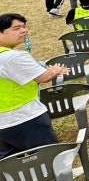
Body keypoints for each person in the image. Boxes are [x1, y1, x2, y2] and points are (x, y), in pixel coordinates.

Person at [0, 13, 70, 158]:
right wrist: (54, 70)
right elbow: (43, 77)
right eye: (16, 28)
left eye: (24, 27)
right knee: (48, 155)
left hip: (3, 125)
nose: (24, 31)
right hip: (25, 118)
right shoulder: (13, 57)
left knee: (11, 164)